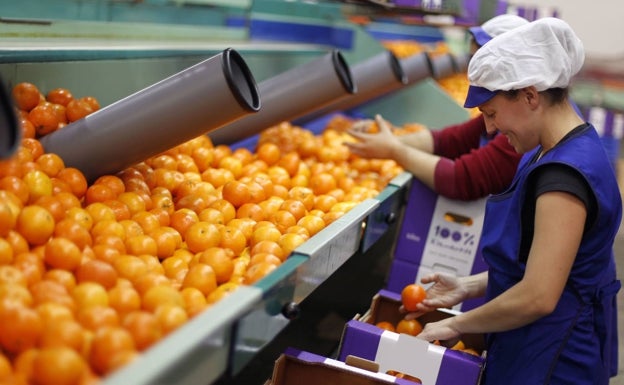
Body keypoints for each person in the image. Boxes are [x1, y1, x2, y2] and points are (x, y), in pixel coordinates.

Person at [407, 18, 622, 384]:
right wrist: (469, 285)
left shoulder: (565, 177)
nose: (490, 129)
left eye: (491, 113)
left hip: (555, 359)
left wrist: (455, 324)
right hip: (534, 344)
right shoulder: (544, 153)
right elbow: (551, 266)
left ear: (530, 95)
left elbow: (539, 294)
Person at [345, 14, 529, 200]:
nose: (470, 74)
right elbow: (449, 140)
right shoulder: (502, 114)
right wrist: (386, 139)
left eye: (477, 62)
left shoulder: (521, 130)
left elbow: (463, 179)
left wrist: (395, 150)